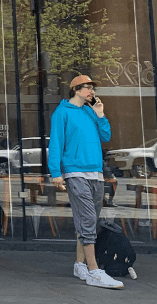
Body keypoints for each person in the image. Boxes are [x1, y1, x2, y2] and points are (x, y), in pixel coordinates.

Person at [48, 74, 123, 290]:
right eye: (88, 88)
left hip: (95, 172)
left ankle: (79, 264)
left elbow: (106, 136)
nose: (92, 91)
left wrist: (100, 115)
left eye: (92, 87)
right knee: (88, 218)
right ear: (76, 89)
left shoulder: (91, 112)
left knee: (89, 220)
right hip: (75, 172)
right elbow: (56, 143)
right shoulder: (62, 113)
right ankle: (94, 270)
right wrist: (56, 172)